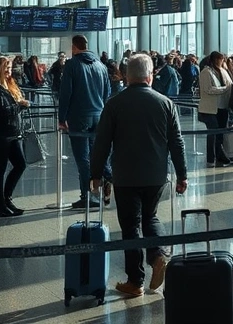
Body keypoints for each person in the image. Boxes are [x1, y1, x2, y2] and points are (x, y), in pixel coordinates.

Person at [90, 54, 188, 298]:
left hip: (125, 175)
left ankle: (135, 282)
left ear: (126, 76)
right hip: (156, 175)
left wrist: (96, 175)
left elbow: (102, 143)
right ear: (150, 75)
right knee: (150, 216)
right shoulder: (166, 103)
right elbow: (177, 143)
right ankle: (157, 256)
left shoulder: (114, 104)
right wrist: (182, 174)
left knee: (130, 226)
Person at [59, 35, 113, 209]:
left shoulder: (72, 65)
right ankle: (109, 178)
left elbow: (66, 93)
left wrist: (62, 118)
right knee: (97, 154)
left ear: (74, 47)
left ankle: (87, 195)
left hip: (78, 117)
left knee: (83, 159)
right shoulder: (101, 66)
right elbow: (107, 93)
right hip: (99, 115)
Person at [0, 56, 30, 217]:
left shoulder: (8, 85)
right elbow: (3, 112)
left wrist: (18, 105)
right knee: (0, 169)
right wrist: (20, 105)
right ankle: (0, 205)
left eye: (10, 69)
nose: (9, 72)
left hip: (12, 132)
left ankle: (6, 198)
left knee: (20, 164)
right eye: (6, 69)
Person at [198, 51, 233, 166]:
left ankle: (220, 156)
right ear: (213, 60)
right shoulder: (206, 72)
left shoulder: (224, 71)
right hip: (210, 108)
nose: (221, 61)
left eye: (222, 59)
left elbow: (230, 85)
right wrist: (224, 89)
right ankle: (210, 159)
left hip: (223, 106)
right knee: (212, 133)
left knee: (220, 134)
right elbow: (208, 89)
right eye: (219, 59)